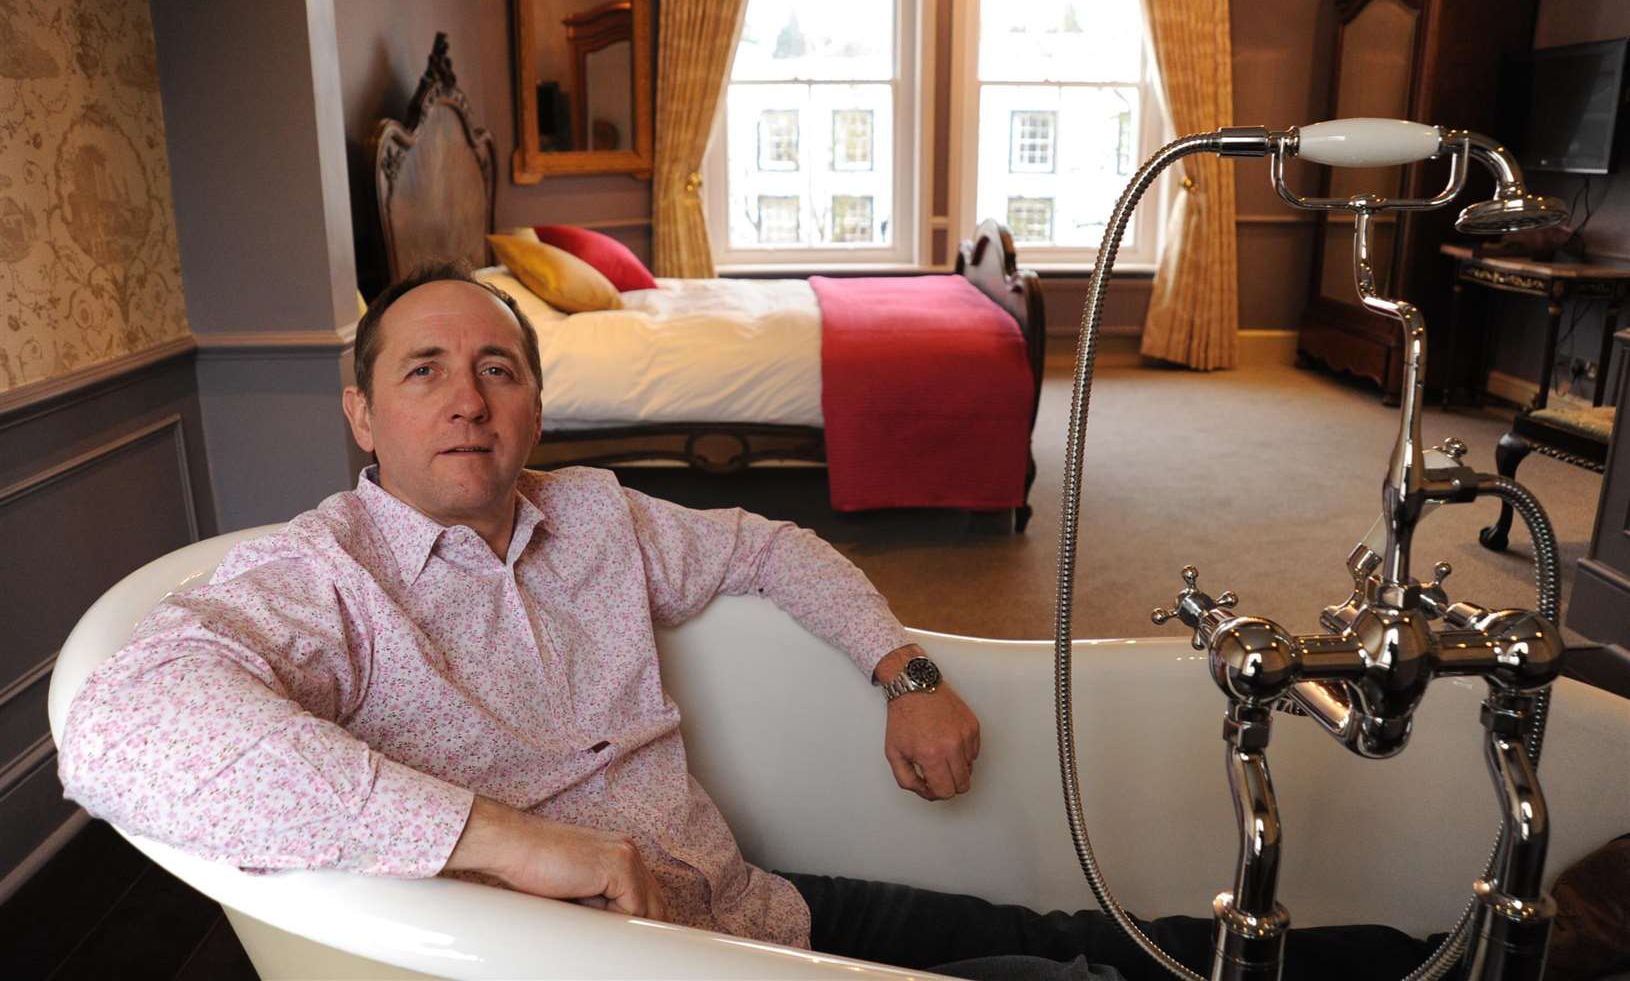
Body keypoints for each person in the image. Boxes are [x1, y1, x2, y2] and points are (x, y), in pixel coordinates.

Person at [58, 267, 1435, 981]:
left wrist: (906, 670)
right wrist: (520, 848)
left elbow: (773, 548)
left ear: (538, 405)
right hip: (638, 965)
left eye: (499, 368)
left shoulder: (592, 512)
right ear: (362, 416)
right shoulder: (322, 575)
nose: (467, 400)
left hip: (755, 904)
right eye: (422, 372)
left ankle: (1444, 960)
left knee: (1094, 935)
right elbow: (122, 727)